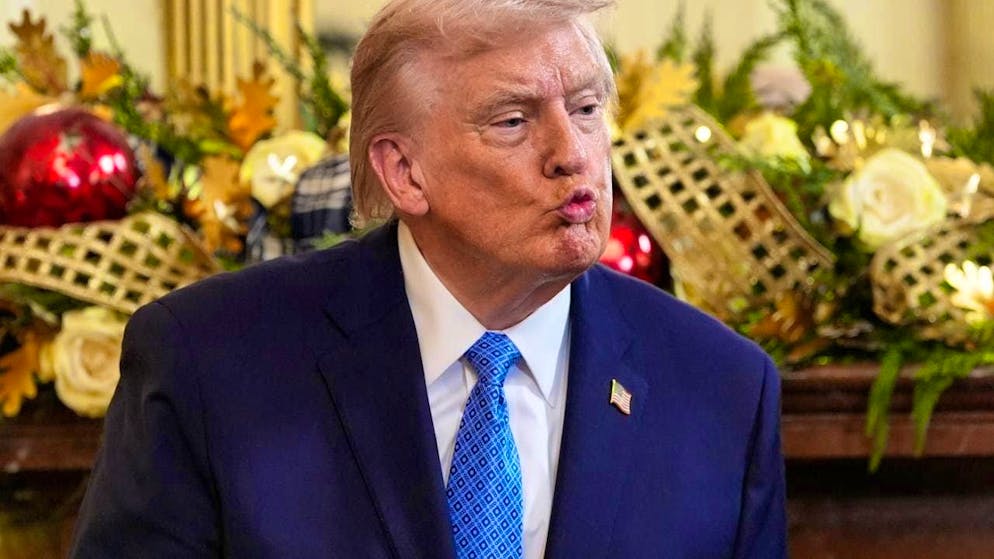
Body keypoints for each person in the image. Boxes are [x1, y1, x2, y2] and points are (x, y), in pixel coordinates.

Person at [71, 0, 786, 557]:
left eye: (587, 109)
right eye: (512, 121)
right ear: (404, 172)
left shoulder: (722, 388)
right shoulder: (212, 362)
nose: (573, 154)